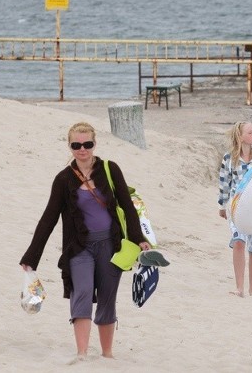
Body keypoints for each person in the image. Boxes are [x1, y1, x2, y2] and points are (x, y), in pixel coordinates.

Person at [19, 122, 151, 362]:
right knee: (82, 291)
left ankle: (107, 354)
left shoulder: (110, 169)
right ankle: (81, 353)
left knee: (108, 297)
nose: (82, 149)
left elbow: (127, 206)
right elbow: (48, 218)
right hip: (79, 247)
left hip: (111, 246)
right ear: (70, 147)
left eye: (87, 144)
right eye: (76, 145)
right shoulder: (63, 179)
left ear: (94, 144)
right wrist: (31, 257)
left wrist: (138, 239)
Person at [218, 121, 252, 297]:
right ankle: (239, 288)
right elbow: (224, 184)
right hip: (236, 207)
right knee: (239, 241)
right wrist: (222, 206)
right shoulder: (229, 158)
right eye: (249, 132)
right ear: (240, 137)